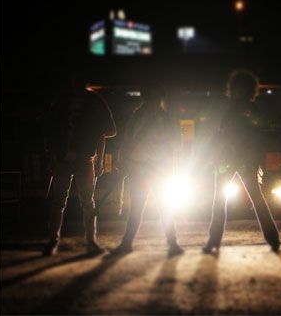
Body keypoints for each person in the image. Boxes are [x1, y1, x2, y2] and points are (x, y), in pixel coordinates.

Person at [202, 70, 280, 253]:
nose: (240, 93)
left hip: (229, 160)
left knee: (220, 201)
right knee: (255, 199)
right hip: (243, 159)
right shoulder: (250, 109)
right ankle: (272, 238)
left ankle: (213, 241)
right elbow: (257, 135)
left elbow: (222, 134)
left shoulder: (229, 109)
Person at [42, 75, 117, 256]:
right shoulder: (89, 101)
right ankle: (70, 240)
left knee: (66, 202)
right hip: (76, 159)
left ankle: (70, 240)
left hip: (78, 159)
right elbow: (104, 132)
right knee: (78, 202)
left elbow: (102, 132)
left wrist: (98, 160)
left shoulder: (68, 100)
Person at [111, 82, 184, 257]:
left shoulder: (138, 117)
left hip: (147, 167)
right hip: (154, 168)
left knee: (146, 208)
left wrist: (123, 159)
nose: (152, 99)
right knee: (156, 208)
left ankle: (129, 242)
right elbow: (177, 145)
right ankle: (170, 243)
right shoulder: (164, 118)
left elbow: (127, 142)